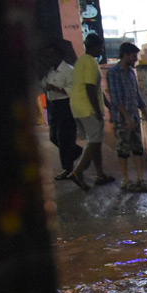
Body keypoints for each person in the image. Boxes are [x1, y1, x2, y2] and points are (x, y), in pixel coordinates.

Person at [67, 32, 113, 190]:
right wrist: (98, 110)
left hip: (77, 107)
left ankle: (100, 174)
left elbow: (96, 89)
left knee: (96, 140)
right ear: (93, 46)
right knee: (94, 141)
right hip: (88, 108)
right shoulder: (91, 63)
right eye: (100, 47)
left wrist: (107, 105)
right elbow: (90, 88)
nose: (101, 50)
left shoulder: (81, 61)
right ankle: (77, 172)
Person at [106, 42, 147, 193]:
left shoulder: (131, 73)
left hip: (133, 117)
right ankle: (126, 180)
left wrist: (146, 115)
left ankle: (140, 179)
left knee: (137, 149)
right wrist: (126, 118)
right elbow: (116, 98)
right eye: (133, 56)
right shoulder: (114, 73)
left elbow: (137, 95)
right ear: (125, 55)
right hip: (122, 119)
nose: (135, 59)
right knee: (123, 150)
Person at [40, 39, 80, 179]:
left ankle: (67, 169)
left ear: (59, 55)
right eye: (47, 56)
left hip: (65, 104)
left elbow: (75, 89)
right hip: (54, 105)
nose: (49, 59)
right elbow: (43, 86)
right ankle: (75, 152)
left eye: (51, 55)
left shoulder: (69, 70)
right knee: (53, 137)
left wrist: (58, 88)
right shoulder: (50, 71)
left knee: (64, 138)